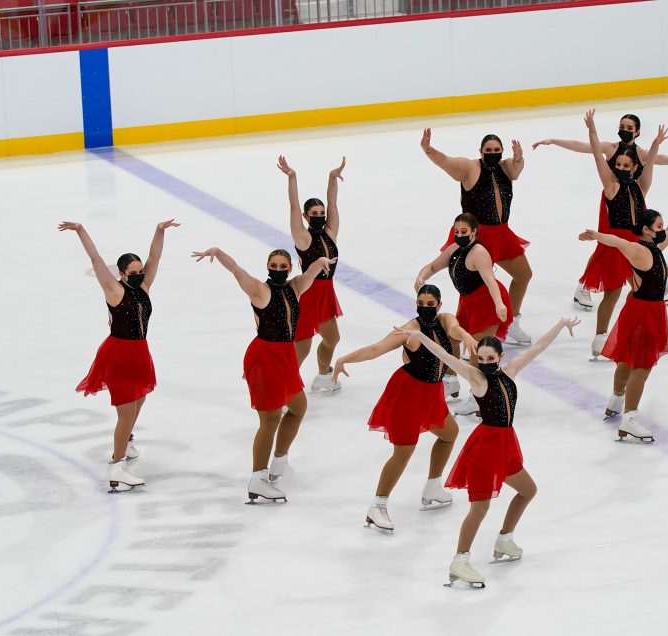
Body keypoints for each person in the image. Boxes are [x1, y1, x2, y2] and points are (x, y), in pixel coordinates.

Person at [396, 318, 581, 588]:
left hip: (505, 444)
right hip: (486, 447)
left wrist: (561, 324)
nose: (485, 362)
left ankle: (504, 539)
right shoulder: (476, 378)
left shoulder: (510, 371)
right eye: (480, 358)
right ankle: (460, 561)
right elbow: (445, 354)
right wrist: (419, 336)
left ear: (500, 356)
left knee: (527, 490)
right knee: (479, 508)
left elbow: (539, 346)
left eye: (490, 357)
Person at [191, 246, 335, 502]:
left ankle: (279, 461)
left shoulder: (296, 287)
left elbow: (311, 273)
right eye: (274, 266)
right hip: (265, 357)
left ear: (290, 268)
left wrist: (321, 259)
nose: (278, 270)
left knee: (298, 408)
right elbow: (237, 270)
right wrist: (218, 252)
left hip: (285, 357)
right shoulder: (259, 290)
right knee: (269, 420)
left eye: (283, 266)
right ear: (267, 267)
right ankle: (258, 478)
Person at [332, 285, 478, 531]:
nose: (425, 308)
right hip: (407, 394)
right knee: (403, 452)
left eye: (430, 304)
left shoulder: (445, 320)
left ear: (439, 305)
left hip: (431, 394)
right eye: (421, 303)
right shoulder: (410, 331)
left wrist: (465, 336)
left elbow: (454, 328)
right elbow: (376, 349)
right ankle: (377, 506)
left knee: (449, 434)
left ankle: (433, 486)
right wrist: (343, 359)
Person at [531, 112, 668, 309]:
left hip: (634, 199)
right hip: (613, 200)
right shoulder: (610, 148)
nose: (624, 131)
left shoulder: (641, 153)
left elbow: (655, 159)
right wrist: (554, 141)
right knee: (607, 245)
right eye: (622, 127)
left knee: (644, 242)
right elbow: (582, 146)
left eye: (629, 128)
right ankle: (586, 286)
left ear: (637, 132)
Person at [61, 218, 180, 492]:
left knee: (139, 401)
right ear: (122, 274)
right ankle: (118, 467)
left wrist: (159, 230)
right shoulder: (114, 290)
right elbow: (95, 258)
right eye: (134, 272)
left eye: (141, 271)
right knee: (126, 413)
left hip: (140, 351)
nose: (140, 274)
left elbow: (154, 257)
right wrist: (81, 230)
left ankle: (126, 442)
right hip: (120, 354)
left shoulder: (144, 287)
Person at [579, 197, 668, 442]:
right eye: (659, 226)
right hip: (645, 312)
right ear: (646, 229)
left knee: (626, 360)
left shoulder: (653, 248)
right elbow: (618, 241)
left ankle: (616, 400)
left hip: (641, 309)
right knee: (642, 366)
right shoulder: (639, 250)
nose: (663, 230)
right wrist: (597, 235)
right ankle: (629, 419)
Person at [420, 129, 534, 345]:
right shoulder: (469, 168)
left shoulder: (504, 167)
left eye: (497, 150)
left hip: (501, 233)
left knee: (523, 275)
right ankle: (459, 333)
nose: (493, 153)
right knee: (473, 287)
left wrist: (518, 157)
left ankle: (510, 323)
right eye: (488, 150)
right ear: (480, 151)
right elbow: (445, 161)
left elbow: (516, 169)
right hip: (476, 236)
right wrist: (428, 149)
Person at [578, 109, 668, 360]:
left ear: (634, 167)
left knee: (641, 289)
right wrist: (592, 131)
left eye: (625, 165)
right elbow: (598, 157)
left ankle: (634, 329)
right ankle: (600, 337)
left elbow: (649, 165)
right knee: (612, 293)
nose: (619, 168)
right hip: (617, 245)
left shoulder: (641, 186)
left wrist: (655, 145)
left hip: (637, 245)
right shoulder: (611, 186)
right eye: (617, 164)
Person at [415, 213, 511, 417]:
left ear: (474, 232)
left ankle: (478, 399)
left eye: (463, 232)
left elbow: (490, 281)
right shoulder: (454, 248)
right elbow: (433, 266)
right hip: (467, 303)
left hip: (486, 303)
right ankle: (451, 381)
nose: (458, 235)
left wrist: (499, 304)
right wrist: (421, 276)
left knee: (478, 352)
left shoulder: (479, 253)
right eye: (456, 231)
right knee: (450, 339)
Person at [277, 155, 347, 392]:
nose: (319, 215)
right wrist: (292, 177)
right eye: (313, 213)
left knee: (332, 338)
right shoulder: (303, 238)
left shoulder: (330, 232)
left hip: (326, 293)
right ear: (307, 217)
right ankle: (283, 388)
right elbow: (294, 206)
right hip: (308, 294)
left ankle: (324, 376)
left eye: (321, 212)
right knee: (303, 346)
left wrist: (332, 177)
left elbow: (333, 203)